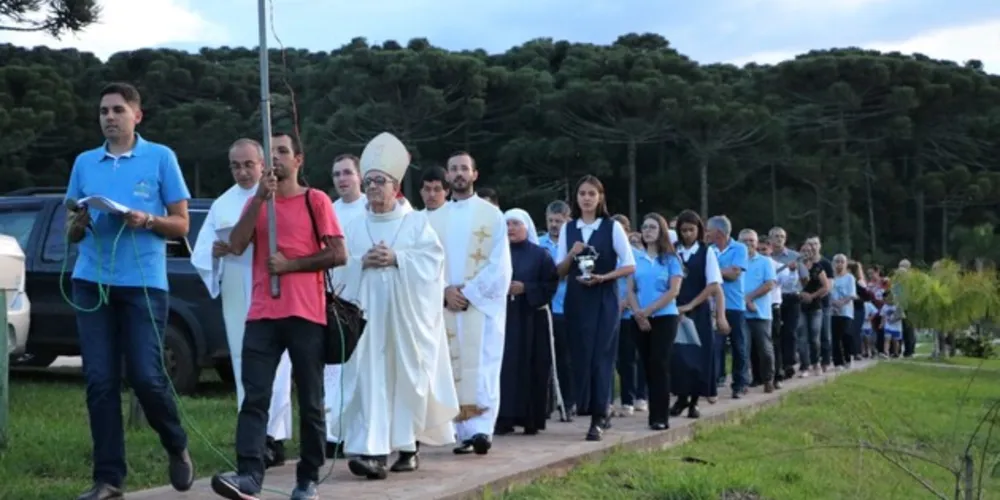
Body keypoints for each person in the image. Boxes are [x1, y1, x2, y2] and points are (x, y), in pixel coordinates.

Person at [65, 82, 194, 500]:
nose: (109, 117)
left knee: (146, 376)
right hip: (91, 281)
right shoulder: (85, 162)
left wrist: (146, 219)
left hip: (142, 284)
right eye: (103, 110)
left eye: (118, 109)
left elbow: (181, 225)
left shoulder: (161, 157)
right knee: (99, 380)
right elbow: (72, 225)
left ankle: (176, 443)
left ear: (137, 115)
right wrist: (78, 224)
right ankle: (109, 479)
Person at [211, 132, 346, 500]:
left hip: (305, 313)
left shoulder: (315, 200)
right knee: (254, 396)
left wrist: (291, 265)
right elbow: (237, 245)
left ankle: (307, 478)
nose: (277, 159)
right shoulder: (258, 203)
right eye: (270, 154)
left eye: (283, 152)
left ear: (298, 160)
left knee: (312, 400)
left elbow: (338, 253)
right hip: (262, 313)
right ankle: (249, 475)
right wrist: (258, 198)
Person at [327, 132, 460, 480]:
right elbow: (338, 267)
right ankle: (372, 454)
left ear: (395, 186)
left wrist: (399, 258)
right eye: (368, 181)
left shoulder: (416, 223)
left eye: (379, 181)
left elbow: (434, 264)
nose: (372, 188)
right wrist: (361, 263)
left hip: (406, 321)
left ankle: (408, 446)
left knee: (405, 380)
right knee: (369, 380)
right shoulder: (354, 226)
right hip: (366, 322)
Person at [191, 138, 293, 468]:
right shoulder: (223, 204)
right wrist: (216, 252)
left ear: (263, 164)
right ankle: (255, 438)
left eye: (249, 164)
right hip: (238, 286)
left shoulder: (279, 196)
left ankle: (275, 437)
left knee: (279, 365)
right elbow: (203, 250)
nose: (243, 171)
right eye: (236, 165)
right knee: (244, 362)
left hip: (274, 285)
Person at [426, 151, 512, 456]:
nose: (459, 173)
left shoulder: (492, 216)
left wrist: (471, 293)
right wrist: (445, 292)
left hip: (481, 305)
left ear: (475, 174)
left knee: (485, 365)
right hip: (446, 305)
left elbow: (500, 264)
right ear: (447, 177)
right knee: (451, 366)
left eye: (465, 168)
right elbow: (426, 264)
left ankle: (482, 430)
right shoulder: (433, 220)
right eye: (454, 169)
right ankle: (461, 432)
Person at [554, 175, 636, 441]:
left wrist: (604, 277)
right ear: (576, 198)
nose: (587, 198)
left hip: (604, 297)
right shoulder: (569, 229)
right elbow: (559, 270)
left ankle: (599, 414)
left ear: (600, 197)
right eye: (582, 194)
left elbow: (629, 264)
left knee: (602, 354)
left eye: (592, 194)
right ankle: (589, 404)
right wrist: (571, 253)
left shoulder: (611, 227)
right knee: (580, 354)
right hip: (577, 298)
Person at [496, 208, 559, 435]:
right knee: (504, 368)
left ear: (526, 227)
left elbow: (550, 284)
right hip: (504, 318)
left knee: (532, 366)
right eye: (507, 224)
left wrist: (526, 288)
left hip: (531, 319)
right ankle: (504, 417)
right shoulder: (497, 253)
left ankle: (531, 418)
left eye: (515, 224)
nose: (511, 229)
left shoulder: (540, 255)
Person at [324, 153, 367, 458]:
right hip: (333, 298)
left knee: (361, 370)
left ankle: (360, 432)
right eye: (337, 174)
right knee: (333, 369)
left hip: (365, 299)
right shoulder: (328, 209)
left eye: (347, 173)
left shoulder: (372, 208)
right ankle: (331, 433)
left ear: (360, 176)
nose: (342, 179)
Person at [625, 213, 682, 430]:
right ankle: (651, 412)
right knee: (647, 364)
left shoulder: (670, 259)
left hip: (664, 317)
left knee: (660, 363)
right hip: (638, 318)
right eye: (645, 227)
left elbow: (673, 290)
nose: (648, 231)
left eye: (653, 227)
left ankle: (660, 416)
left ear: (661, 232)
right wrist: (638, 312)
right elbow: (631, 289)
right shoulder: (635, 258)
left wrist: (649, 311)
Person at [670, 210, 725, 419]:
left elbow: (712, 284)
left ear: (699, 230)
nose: (687, 234)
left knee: (697, 356)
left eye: (691, 230)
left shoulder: (706, 252)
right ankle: (681, 397)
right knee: (677, 357)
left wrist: (691, 304)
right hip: (674, 310)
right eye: (683, 230)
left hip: (697, 311)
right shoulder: (673, 252)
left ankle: (694, 400)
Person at [538, 200, 575, 417]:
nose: (554, 225)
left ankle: (568, 402)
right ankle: (546, 403)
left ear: (567, 220)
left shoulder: (573, 243)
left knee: (565, 358)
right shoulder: (539, 243)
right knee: (544, 358)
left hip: (565, 307)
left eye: (558, 221)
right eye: (551, 220)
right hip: (544, 306)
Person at [705, 215, 749, 399]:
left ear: (719, 233)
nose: (706, 234)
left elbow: (734, 273)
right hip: (713, 305)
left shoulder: (739, 248)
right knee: (715, 346)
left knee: (739, 345)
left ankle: (739, 383)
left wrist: (712, 271)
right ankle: (713, 382)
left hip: (734, 304)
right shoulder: (710, 250)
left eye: (709, 230)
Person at [611, 213, 647, 417]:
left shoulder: (637, 256)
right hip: (611, 313)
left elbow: (641, 284)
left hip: (630, 313)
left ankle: (633, 398)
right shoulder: (607, 256)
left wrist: (626, 303)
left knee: (631, 357)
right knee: (616, 360)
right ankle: (618, 399)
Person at [737, 229, 777, 393]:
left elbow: (769, 284)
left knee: (765, 349)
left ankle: (768, 378)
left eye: (751, 240)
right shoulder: (735, 261)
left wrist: (749, 298)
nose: (748, 244)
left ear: (756, 242)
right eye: (744, 240)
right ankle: (743, 382)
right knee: (742, 349)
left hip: (761, 313)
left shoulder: (765, 262)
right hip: (740, 312)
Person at [798, 244, 829, 377]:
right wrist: (800, 294)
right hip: (799, 306)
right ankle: (805, 366)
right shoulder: (796, 267)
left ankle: (816, 363)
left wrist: (812, 296)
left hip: (815, 306)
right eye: (803, 250)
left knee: (814, 337)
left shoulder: (818, 268)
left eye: (808, 251)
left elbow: (826, 286)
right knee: (802, 337)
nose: (805, 253)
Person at [830, 254, 857, 369]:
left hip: (846, 310)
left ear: (846, 264)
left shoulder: (850, 277)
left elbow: (852, 294)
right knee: (835, 337)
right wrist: (833, 303)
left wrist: (841, 303)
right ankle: (838, 362)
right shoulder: (831, 278)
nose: (839, 264)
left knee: (846, 334)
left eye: (842, 262)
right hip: (832, 310)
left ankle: (848, 356)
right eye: (837, 261)